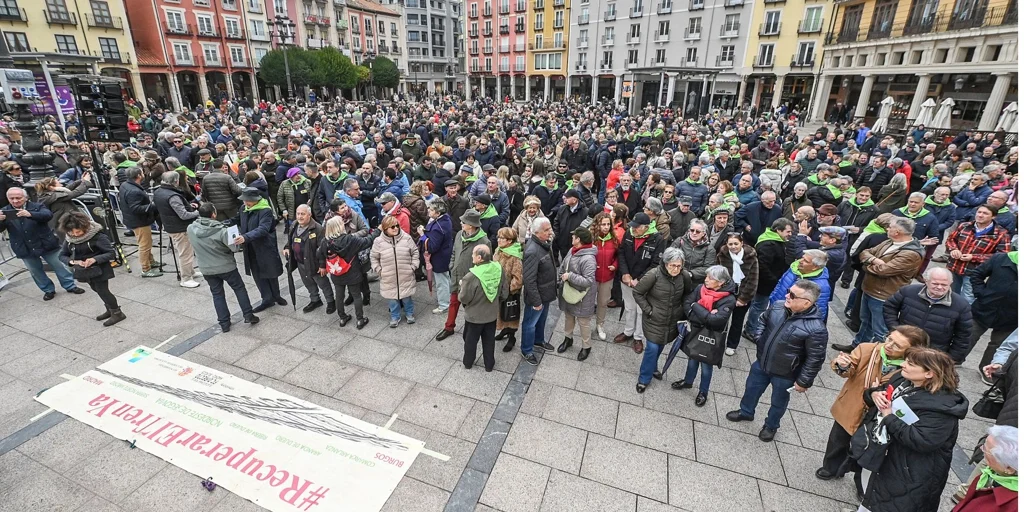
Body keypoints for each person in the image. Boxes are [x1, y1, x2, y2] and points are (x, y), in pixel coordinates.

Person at [815, 325, 930, 486]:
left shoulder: (912, 369)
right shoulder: (867, 349)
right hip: (851, 405)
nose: (888, 345)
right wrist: (842, 364)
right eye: (889, 338)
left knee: (869, 448)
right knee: (838, 440)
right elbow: (848, 369)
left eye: (897, 345)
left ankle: (860, 481)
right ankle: (830, 467)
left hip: (878, 416)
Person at [859, 348, 968, 512]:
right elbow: (879, 392)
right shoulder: (902, 379)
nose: (903, 364)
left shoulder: (941, 409)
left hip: (910, 471)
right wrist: (874, 394)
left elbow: (922, 440)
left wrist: (889, 417)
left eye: (910, 363)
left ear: (929, 374)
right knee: (873, 496)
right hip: (887, 456)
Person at [728, 279, 828, 442]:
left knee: (778, 402)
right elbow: (762, 320)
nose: (787, 295)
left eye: (793, 295)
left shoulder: (816, 328)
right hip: (762, 364)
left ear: (806, 302)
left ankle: (771, 426)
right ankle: (746, 412)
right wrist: (760, 339)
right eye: (789, 290)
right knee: (751, 390)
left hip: (785, 374)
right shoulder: (777, 306)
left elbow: (815, 358)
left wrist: (804, 381)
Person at [845, 216, 925, 349]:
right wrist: (875, 260)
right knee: (866, 322)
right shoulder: (890, 242)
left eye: (890, 227)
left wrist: (866, 265)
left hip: (883, 296)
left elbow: (883, 271)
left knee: (880, 331)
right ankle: (858, 348)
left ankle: (879, 359)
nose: (887, 229)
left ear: (897, 232)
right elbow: (865, 252)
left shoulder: (911, 254)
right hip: (870, 289)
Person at [187, 203, 260, 332]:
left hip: (206, 268)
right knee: (239, 288)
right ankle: (248, 314)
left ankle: (224, 323)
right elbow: (235, 248)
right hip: (226, 267)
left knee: (217, 294)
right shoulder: (222, 230)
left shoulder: (191, 228)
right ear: (213, 214)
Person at [0, 187, 84, 299]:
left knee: (59, 266)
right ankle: (48, 290)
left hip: (45, 243)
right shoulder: (5, 211)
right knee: (35, 271)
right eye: (12, 198)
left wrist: (30, 214)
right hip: (24, 246)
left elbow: (47, 215)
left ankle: (70, 285)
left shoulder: (36, 206)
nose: (15, 201)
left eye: (18, 198)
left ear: (26, 198)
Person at [671, 265, 736, 406]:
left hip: (711, 336)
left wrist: (696, 307)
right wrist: (704, 314)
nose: (706, 280)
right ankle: (688, 381)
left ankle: (703, 392)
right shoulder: (700, 287)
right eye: (706, 276)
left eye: (710, 278)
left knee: (706, 366)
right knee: (692, 358)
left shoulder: (729, 299)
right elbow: (687, 303)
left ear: (720, 282)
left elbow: (716, 321)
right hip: (695, 330)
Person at [882, 268, 972, 363]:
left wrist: (951, 358)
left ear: (951, 283)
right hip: (901, 348)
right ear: (926, 281)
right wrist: (896, 329)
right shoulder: (908, 291)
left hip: (931, 355)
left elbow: (963, 336)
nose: (939, 287)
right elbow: (889, 307)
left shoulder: (961, 305)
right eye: (935, 283)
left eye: (944, 285)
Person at [634, 247, 692, 393]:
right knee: (652, 348)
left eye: (679, 266)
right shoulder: (653, 275)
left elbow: (687, 295)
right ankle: (644, 379)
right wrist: (648, 310)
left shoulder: (684, 276)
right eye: (672, 265)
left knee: (660, 345)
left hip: (672, 320)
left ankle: (653, 367)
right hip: (654, 318)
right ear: (665, 264)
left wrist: (683, 313)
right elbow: (638, 292)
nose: (676, 269)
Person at [58, 212, 124, 326]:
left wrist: (94, 259)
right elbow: (62, 255)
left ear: (85, 227)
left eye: (78, 231)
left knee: (103, 291)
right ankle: (110, 309)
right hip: (85, 271)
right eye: (71, 232)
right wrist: (72, 261)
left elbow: (111, 253)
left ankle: (117, 313)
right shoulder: (69, 239)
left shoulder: (98, 236)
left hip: (100, 269)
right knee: (96, 289)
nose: (75, 234)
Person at [436, 209, 493, 342]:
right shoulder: (459, 234)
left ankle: (472, 331)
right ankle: (449, 327)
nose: (461, 223)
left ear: (471, 225)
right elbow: (454, 252)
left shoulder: (484, 242)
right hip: (456, 276)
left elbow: (486, 265)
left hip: (471, 282)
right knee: (453, 302)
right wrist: (452, 265)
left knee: (470, 307)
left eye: (463, 222)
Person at [616, 212, 667, 354]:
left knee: (640, 311)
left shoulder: (658, 239)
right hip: (626, 279)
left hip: (643, 283)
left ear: (646, 227)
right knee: (629, 307)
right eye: (632, 226)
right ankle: (628, 332)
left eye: (637, 227)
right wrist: (625, 273)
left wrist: (639, 279)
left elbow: (657, 263)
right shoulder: (629, 233)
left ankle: (638, 337)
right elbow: (621, 253)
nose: (633, 229)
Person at [233, 186, 286, 311]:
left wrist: (245, 237)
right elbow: (237, 220)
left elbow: (263, 229)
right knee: (257, 274)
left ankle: (276, 296)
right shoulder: (243, 208)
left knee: (270, 272)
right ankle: (267, 299)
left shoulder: (265, 211)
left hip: (265, 247)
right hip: (251, 248)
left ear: (255, 199)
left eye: (248, 200)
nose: (245, 203)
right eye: (244, 200)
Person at [318, 216, 375, 329]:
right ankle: (360, 320)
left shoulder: (325, 241)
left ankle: (342, 318)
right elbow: (367, 241)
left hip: (336, 273)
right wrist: (378, 230)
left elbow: (319, 254)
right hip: (352, 272)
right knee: (356, 295)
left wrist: (322, 265)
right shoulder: (349, 239)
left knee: (339, 296)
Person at [968, 248, 1018, 379]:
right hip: (984, 308)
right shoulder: (1001, 258)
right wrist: (981, 293)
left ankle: (987, 371)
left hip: (1011, 318)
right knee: (969, 335)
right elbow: (977, 274)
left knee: (998, 345)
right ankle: (955, 361)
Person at [742, 218, 795, 340]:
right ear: (778, 230)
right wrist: (774, 279)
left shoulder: (772, 239)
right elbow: (762, 266)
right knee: (758, 307)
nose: (790, 234)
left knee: (757, 305)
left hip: (764, 282)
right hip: (764, 284)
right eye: (788, 231)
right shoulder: (769, 245)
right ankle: (750, 331)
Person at [946, 204, 1011, 303]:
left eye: (985, 213)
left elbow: (1002, 256)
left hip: (975, 272)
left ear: (993, 216)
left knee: (968, 298)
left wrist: (974, 257)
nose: (980, 215)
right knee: (950, 293)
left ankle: (964, 316)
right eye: (979, 212)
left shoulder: (1001, 234)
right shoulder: (964, 226)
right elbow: (951, 239)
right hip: (954, 267)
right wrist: (953, 249)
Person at [459, 244, 506, 372]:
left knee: (470, 341)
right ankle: (489, 365)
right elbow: (504, 293)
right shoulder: (498, 268)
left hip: (474, 317)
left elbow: (463, 298)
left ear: (479, 258)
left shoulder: (470, 277)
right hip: (491, 315)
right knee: (489, 341)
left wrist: (461, 286)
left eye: (473, 254)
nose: (471, 256)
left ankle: (468, 363)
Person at [518, 217, 558, 365]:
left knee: (542, 319)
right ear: (536, 232)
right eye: (546, 230)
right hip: (537, 297)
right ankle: (526, 350)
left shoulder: (544, 243)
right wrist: (536, 301)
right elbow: (529, 280)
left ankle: (539, 341)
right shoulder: (533, 251)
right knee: (530, 323)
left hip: (545, 293)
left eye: (549, 228)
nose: (550, 232)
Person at [952, 425, 1018, 512]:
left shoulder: (1014, 506)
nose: (981, 449)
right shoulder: (989, 474)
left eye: (986, 450)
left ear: (1009, 468)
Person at [284, 204, 335, 314]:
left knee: (323, 284)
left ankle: (331, 302)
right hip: (300, 262)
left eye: (303, 214)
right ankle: (315, 300)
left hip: (315, 264)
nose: (300, 217)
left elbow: (323, 249)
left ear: (309, 215)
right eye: (298, 214)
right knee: (308, 283)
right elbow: (290, 240)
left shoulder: (318, 229)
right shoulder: (294, 225)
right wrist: (287, 248)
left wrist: (322, 266)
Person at [556, 227, 598, 361]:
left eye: (574, 236)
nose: (571, 238)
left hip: (582, 297)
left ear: (579, 239)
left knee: (583, 322)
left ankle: (586, 346)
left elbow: (589, 281)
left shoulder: (588, 259)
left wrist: (570, 276)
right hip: (569, 292)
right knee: (568, 317)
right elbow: (563, 265)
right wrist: (561, 276)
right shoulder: (572, 250)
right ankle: (568, 339)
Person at [153, 171, 201, 288]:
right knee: (185, 254)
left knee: (186, 252)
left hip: (171, 225)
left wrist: (189, 207)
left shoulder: (159, 191)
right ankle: (186, 278)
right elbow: (183, 215)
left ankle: (191, 272)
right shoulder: (173, 195)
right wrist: (197, 212)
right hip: (179, 228)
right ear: (176, 181)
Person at [371, 215, 419, 327]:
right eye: (392, 227)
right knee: (392, 300)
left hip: (405, 275)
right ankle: (395, 317)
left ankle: (409, 314)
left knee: (407, 298)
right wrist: (379, 269)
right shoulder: (378, 241)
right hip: (388, 277)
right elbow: (373, 257)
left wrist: (413, 266)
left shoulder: (407, 238)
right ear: (385, 228)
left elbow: (415, 252)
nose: (396, 228)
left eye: (397, 225)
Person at [717, 233, 758, 355]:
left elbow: (753, 279)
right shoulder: (722, 255)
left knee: (737, 321)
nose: (733, 246)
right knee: (721, 318)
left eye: (736, 243)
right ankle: (718, 341)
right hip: (725, 293)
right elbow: (717, 274)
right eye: (730, 244)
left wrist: (743, 298)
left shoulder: (751, 257)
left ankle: (732, 344)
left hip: (743, 293)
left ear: (742, 243)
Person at [420, 200, 454, 315]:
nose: (428, 211)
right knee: (446, 278)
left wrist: (422, 235)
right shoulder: (445, 219)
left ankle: (444, 305)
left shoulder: (438, 227)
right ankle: (449, 297)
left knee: (441, 282)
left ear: (438, 213)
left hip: (439, 258)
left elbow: (432, 247)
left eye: (431, 210)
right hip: (445, 254)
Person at [590, 212, 619, 342]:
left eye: (608, 224)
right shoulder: (591, 239)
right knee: (588, 302)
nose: (606, 227)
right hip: (591, 276)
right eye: (603, 224)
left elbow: (619, 256)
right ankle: (585, 324)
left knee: (603, 303)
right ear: (597, 225)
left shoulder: (614, 239)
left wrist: (615, 265)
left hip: (607, 276)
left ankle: (600, 325)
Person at [494, 227, 523, 352]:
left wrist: (509, 291)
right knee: (501, 313)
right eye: (498, 237)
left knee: (510, 314)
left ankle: (512, 337)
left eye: (502, 238)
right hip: (498, 291)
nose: (499, 240)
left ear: (510, 241)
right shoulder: (498, 250)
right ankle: (504, 330)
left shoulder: (515, 257)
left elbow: (518, 279)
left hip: (509, 293)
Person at [672, 218, 717, 283]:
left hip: (696, 281)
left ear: (703, 233)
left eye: (698, 231)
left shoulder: (709, 249)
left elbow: (708, 267)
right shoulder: (679, 241)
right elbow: (669, 258)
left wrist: (690, 274)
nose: (694, 233)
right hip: (676, 276)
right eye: (692, 230)